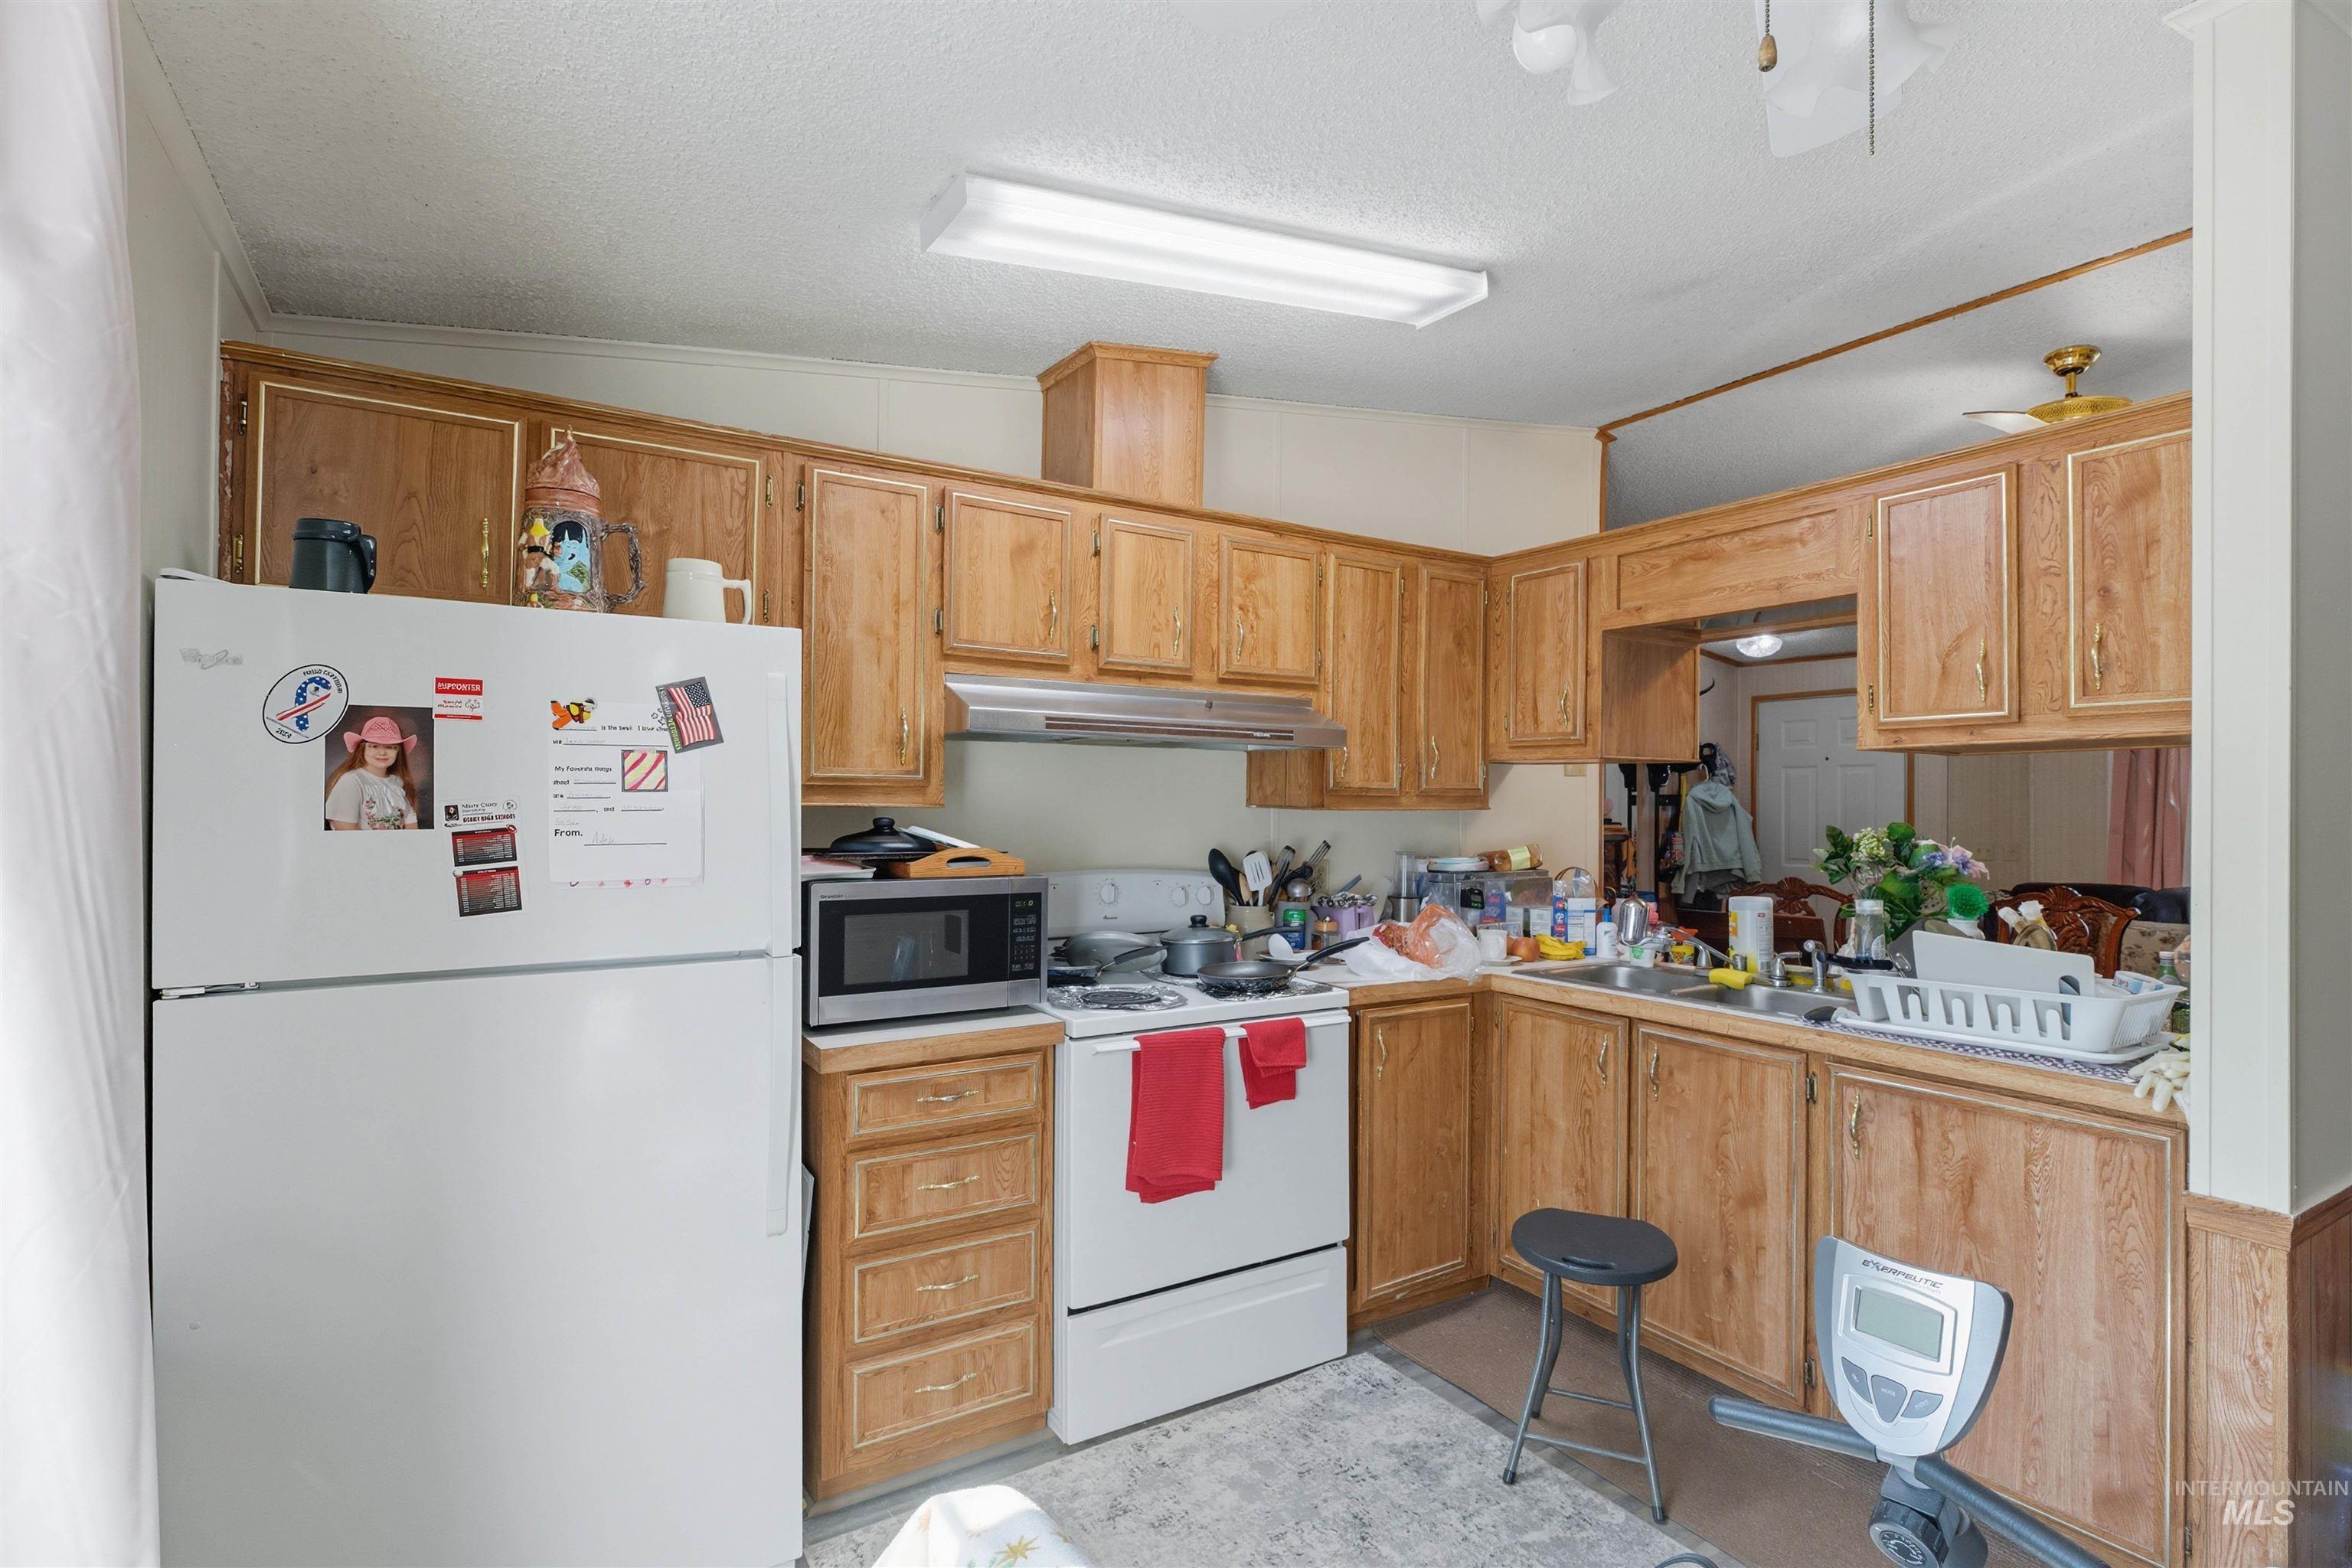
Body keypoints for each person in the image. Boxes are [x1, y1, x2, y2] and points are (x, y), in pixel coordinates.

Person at [325, 715, 421, 830]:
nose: (382, 753)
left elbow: (413, 831)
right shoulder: (351, 782)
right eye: (374, 746)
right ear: (362, 749)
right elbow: (346, 835)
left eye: (390, 747)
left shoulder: (398, 783)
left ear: (397, 751)